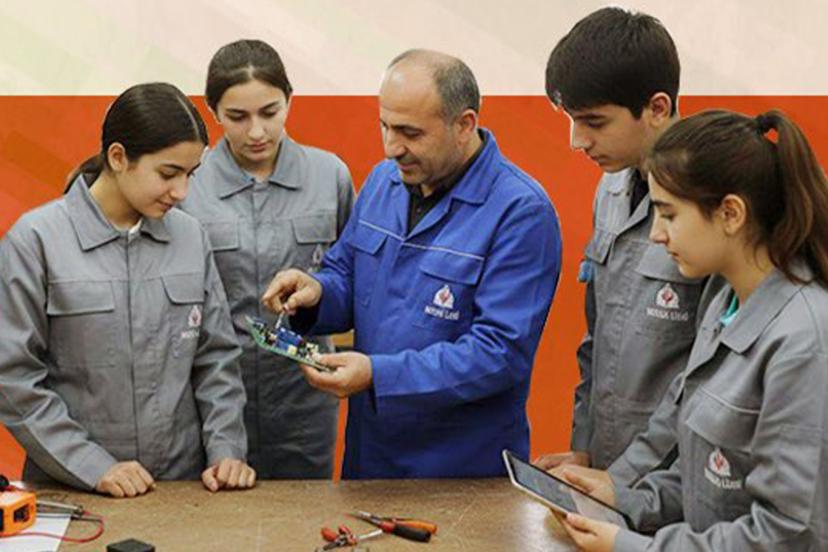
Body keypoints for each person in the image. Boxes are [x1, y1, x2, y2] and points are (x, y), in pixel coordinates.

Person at [263, 49, 562, 479]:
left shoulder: (520, 213)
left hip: (460, 474)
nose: (391, 147)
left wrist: (378, 375)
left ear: (464, 125)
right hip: (371, 459)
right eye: (384, 126)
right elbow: (347, 275)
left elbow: (500, 353)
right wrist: (316, 294)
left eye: (410, 133)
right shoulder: (384, 182)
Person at [560, 109, 828, 551]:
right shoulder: (725, 305)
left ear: (730, 213)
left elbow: (789, 535)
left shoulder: (803, 342)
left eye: (668, 214)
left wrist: (633, 547)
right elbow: (707, 476)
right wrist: (623, 500)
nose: (656, 235)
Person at [0, 83, 255, 498]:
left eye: (190, 174)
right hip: (74, 491)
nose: (182, 192)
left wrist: (226, 451)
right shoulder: (36, 241)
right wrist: (92, 466)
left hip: (183, 491)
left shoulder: (191, 237)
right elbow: (13, 377)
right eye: (168, 174)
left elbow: (217, 358)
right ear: (118, 157)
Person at [535, 7, 707, 479]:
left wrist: (626, 478)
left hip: (679, 481)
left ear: (657, 108)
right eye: (573, 120)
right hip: (612, 474)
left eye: (594, 121)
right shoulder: (610, 189)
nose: (577, 141)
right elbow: (597, 341)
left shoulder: (712, 205)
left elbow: (712, 376)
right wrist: (585, 448)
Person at [180, 39, 354, 479]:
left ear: (289, 100)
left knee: (303, 512)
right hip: (213, 394)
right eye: (238, 117)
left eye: (269, 112)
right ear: (213, 111)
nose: (256, 131)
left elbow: (353, 277)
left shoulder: (329, 176)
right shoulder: (188, 186)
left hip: (305, 397)